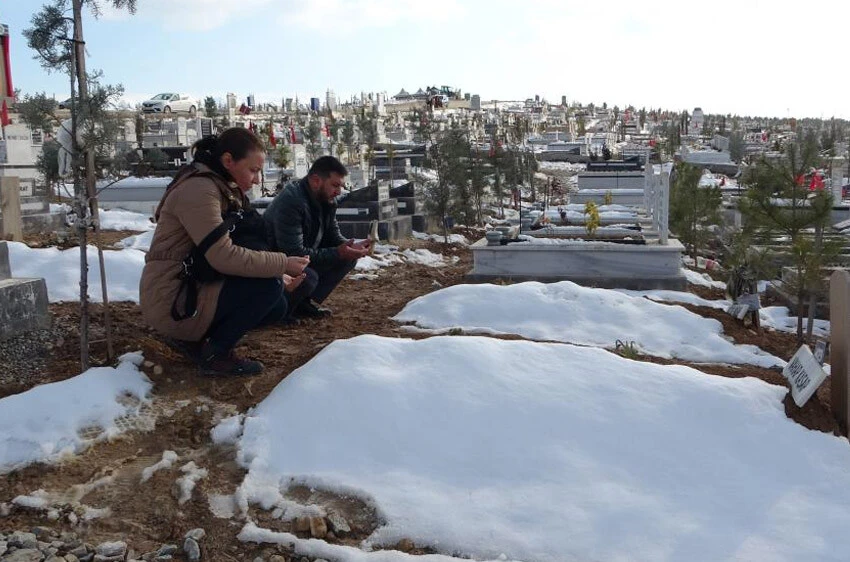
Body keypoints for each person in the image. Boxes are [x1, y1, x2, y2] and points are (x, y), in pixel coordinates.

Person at [140, 128, 310, 376]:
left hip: (191, 284)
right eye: (253, 170)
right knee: (268, 288)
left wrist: (278, 273)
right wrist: (281, 264)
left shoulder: (221, 187)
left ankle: (202, 338)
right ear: (228, 161)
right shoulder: (199, 189)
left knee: (277, 303)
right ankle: (214, 353)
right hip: (172, 298)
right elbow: (222, 256)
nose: (257, 180)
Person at [264, 155, 371, 318]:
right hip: (275, 261)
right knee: (308, 277)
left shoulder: (326, 199)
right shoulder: (292, 202)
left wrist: (350, 247)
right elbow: (293, 252)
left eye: (340, 186)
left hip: (302, 255)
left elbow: (332, 235)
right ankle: (279, 310)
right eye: (335, 185)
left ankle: (302, 303)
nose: (338, 192)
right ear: (315, 181)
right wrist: (338, 252)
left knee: (347, 258)